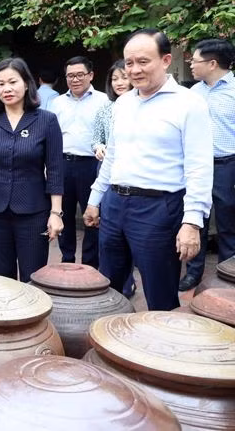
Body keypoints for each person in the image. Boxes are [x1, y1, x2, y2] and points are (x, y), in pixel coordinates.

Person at [84, 29, 213, 311]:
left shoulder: (189, 103)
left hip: (158, 209)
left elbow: (200, 166)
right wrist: (96, 199)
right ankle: (113, 346)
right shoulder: (123, 103)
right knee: (110, 287)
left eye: (143, 61)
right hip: (115, 204)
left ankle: (162, 350)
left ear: (166, 60)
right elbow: (113, 155)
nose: (134, 70)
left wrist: (192, 222)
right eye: (129, 63)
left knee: (160, 293)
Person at [0, 58, 64, 282]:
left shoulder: (46, 121)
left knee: (33, 277)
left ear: (27, 83)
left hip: (33, 211)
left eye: (12, 81)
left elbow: (56, 170)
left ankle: (31, 318)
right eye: (0, 84)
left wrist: (55, 213)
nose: (7, 89)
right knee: (0, 279)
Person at [179, 38, 235, 291]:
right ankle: (193, 273)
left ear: (212, 64)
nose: (191, 64)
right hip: (195, 166)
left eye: (196, 60)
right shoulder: (192, 94)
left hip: (227, 165)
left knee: (227, 223)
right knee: (195, 220)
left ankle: (227, 274)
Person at [48, 56, 108, 269]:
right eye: (70, 76)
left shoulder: (103, 101)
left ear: (91, 75)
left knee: (92, 215)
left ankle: (90, 264)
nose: (75, 79)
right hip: (62, 164)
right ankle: (67, 260)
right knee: (63, 213)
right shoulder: (56, 103)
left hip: (91, 166)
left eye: (80, 75)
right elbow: (50, 137)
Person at [92, 60, 136, 298]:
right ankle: (110, 282)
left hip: (135, 179)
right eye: (114, 79)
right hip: (107, 173)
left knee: (130, 235)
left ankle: (128, 281)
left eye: (123, 77)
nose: (119, 83)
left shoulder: (142, 105)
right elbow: (95, 137)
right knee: (111, 235)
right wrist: (98, 147)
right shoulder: (106, 108)